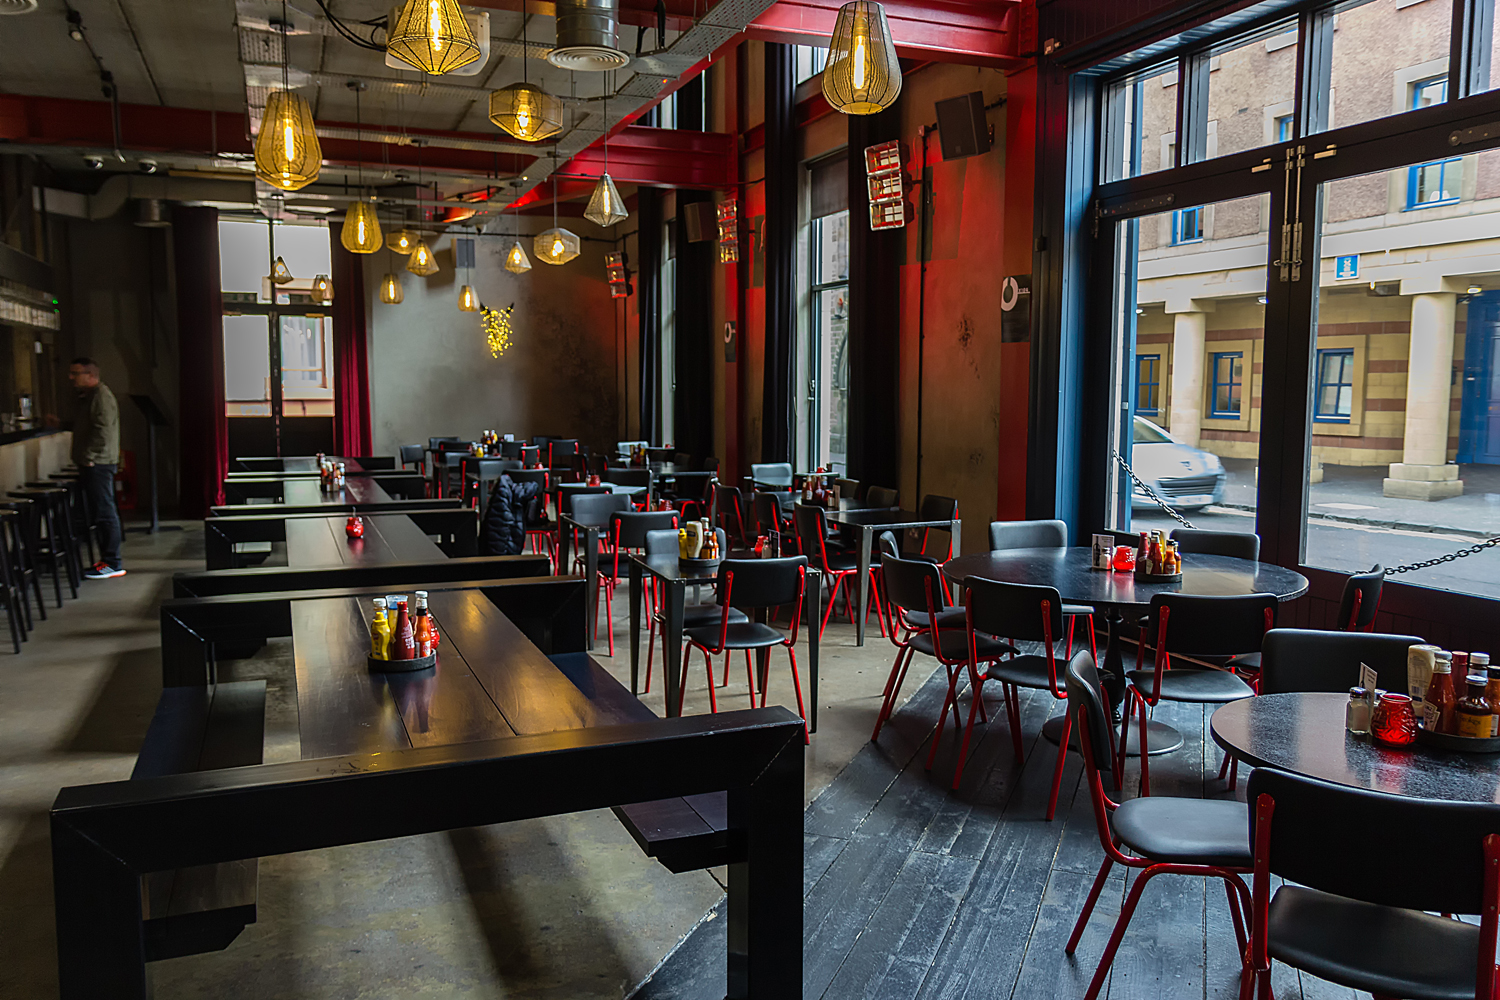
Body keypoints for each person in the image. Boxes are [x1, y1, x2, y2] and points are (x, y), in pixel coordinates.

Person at [68, 357, 125, 579]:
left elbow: (103, 430)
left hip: (99, 463)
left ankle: (112, 563)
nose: (71, 378)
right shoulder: (89, 397)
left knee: (104, 512)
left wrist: (89, 456)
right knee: (100, 512)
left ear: (91, 375)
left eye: (76, 373)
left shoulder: (101, 397)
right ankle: (106, 561)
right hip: (95, 461)